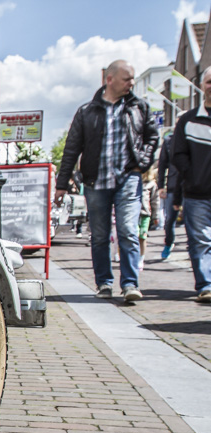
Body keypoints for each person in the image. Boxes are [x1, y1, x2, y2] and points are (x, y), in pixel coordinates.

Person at [54, 60, 159, 302]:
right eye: (127, 79)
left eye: (132, 78)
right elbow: (72, 148)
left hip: (128, 179)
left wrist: (142, 163)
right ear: (109, 79)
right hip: (96, 182)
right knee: (100, 235)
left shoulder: (139, 107)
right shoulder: (86, 111)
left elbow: (152, 137)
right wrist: (61, 185)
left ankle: (130, 284)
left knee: (128, 231)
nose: (131, 83)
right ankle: (104, 283)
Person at [171, 66, 211, 303]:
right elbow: (178, 154)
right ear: (203, 86)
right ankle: (206, 285)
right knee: (200, 241)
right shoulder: (188, 120)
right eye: (209, 82)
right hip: (197, 193)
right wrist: (193, 176)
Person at [156, 131, 180, 259]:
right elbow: (162, 164)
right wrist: (161, 186)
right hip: (173, 185)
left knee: (193, 220)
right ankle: (169, 242)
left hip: (190, 185)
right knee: (170, 219)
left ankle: (193, 247)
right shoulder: (169, 141)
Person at [139, 166, 160, 270]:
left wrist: (155, 216)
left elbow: (155, 201)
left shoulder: (151, 184)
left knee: (142, 237)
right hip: (134, 214)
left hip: (145, 214)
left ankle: (141, 258)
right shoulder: (133, 180)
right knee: (132, 235)